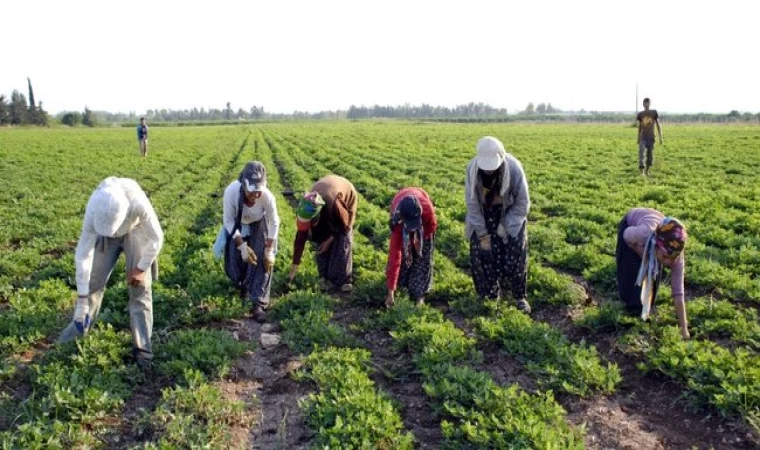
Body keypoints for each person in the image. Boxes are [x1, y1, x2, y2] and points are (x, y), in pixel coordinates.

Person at [58, 177, 163, 369]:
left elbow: (157, 238)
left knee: (140, 290)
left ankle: (143, 352)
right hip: (105, 235)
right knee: (92, 284)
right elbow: (83, 256)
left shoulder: (137, 202)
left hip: (136, 228)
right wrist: (81, 297)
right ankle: (73, 338)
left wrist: (140, 268)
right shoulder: (94, 209)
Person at [465, 136, 531, 313]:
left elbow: (523, 203)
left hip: (510, 213)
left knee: (516, 252)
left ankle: (518, 296)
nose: (488, 172)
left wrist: (506, 226)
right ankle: (488, 295)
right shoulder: (472, 169)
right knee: (482, 253)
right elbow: (472, 204)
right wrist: (482, 234)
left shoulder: (514, 168)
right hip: (483, 214)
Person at [215, 162, 280, 323]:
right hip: (238, 223)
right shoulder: (231, 192)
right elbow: (229, 222)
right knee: (236, 259)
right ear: (244, 184)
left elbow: (274, 222)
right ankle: (243, 286)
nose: (255, 195)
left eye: (258, 191)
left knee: (262, 261)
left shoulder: (267, 196)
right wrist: (242, 246)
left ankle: (258, 302)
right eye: (252, 191)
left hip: (259, 222)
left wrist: (269, 250)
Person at [616, 208, 689, 339]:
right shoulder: (643, 234)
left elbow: (678, 294)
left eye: (671, 258)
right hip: (631, 229)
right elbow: (625, 235)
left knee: (649, 300)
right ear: (656, 245)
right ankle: (628, 306)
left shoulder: (675, 255)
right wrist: (640, 252)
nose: (668, 262)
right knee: (633, 297)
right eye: (665, 256)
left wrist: (684, 329)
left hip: (654, 242)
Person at [288, 175, 357, 293]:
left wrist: (330, 240)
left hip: (345, 198)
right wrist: (294, 269)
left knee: (342, 240)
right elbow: (300, 240)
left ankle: (344, 280)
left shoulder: (334, 207)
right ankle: (325, 278)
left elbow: (344, 226)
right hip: (326, 193)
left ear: (317, 217)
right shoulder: (304, 209)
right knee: (320, 240)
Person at [385, 188, 438, 309]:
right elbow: (394, 257)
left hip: (425, 228)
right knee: (404, 254)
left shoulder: (427, 211)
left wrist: (419, 244)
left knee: (422, 257)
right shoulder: (397, 223)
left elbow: (431, 227)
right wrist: (390, 293)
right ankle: (401, 283)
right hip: (401, 203)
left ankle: (420, 295)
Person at [636, 98, 663, 176]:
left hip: (651, 137)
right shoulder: (640, 114)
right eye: (645, 103)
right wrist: (638, 137)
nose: (646, 105)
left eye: (648, 103)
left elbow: (658, 125)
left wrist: (661, 137)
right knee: (641, 152)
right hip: (643, 137)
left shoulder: (654, 113)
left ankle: (647, 170)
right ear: (643, 104)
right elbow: (640, 127)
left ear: (650, 104)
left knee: (649, 154)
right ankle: (642, 171)